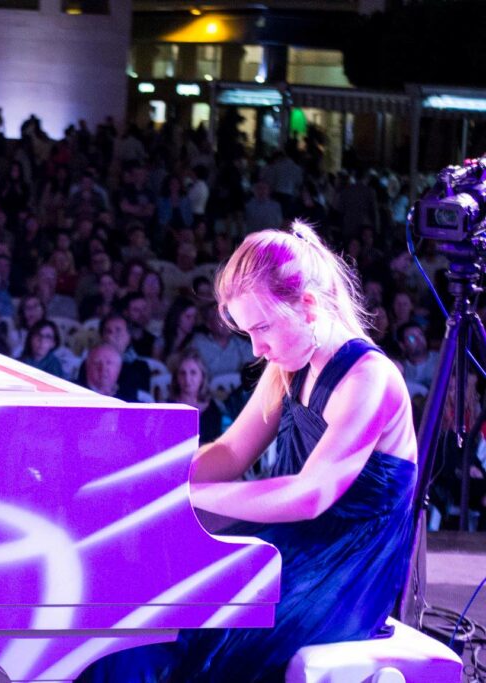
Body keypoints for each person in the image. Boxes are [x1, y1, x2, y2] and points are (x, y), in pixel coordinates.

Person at [78, 221, 417, 682]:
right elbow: (231, 453)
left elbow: (308, 495)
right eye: (246, 332)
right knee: (136, 619)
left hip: (346, 571)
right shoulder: (289, 363)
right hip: (293, 547)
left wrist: (188, 495)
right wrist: (154, 478)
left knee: (204, 643)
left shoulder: (369, 379)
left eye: (262, 328)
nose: (256, 347)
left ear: (309, 306)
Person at [167, 347, 229, 445]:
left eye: (193, 373)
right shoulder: (168, 408)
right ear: (176, 378)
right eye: (182, 373)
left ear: (202, 376)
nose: (187, 379)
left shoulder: (214, 407)